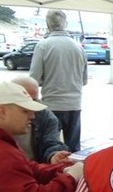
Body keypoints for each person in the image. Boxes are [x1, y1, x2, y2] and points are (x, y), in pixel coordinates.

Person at [29, 9, 88, 152]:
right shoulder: (78, 47)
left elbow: (33, 80)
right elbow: (84, 80)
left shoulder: (43, 45)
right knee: (74, 148)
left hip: (51, 104)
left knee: (50, 147)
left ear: (48, 24)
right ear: (65, 24)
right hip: (74, 104)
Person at [11, 76, 71, 164]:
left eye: (34, 101)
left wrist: (53, 155)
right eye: (24, 102)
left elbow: (51, 142)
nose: (32, 114)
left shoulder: (46, 117)